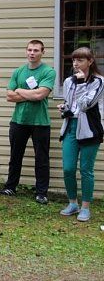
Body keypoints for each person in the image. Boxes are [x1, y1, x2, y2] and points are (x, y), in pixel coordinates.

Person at [0, 40, 56, 204]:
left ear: (42, 52)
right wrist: (31, 93)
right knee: (15, 156)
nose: (32, 53)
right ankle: (11, 187)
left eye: (36, 50)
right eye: (30, 50)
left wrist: (20, 91)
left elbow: (41, 95)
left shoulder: (48, 71)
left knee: (42, 158)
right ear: (26, 51)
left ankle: (41, 193)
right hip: (18, 121)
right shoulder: (18, 72)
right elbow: (9, 96)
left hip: (40, 122)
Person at [58, 47, 104, 222]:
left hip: (90, 130)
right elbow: (71, 104)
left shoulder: (99, 82)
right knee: (68, 168)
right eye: (74, 60)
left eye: (80, 60)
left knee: (86, 170)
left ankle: (85, 207)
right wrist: (64, 108)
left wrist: (81, 84)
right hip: (71, 127)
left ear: (90, 61)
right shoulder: (69, 81)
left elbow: (86, 104)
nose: (76, 64)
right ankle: (72, 203)